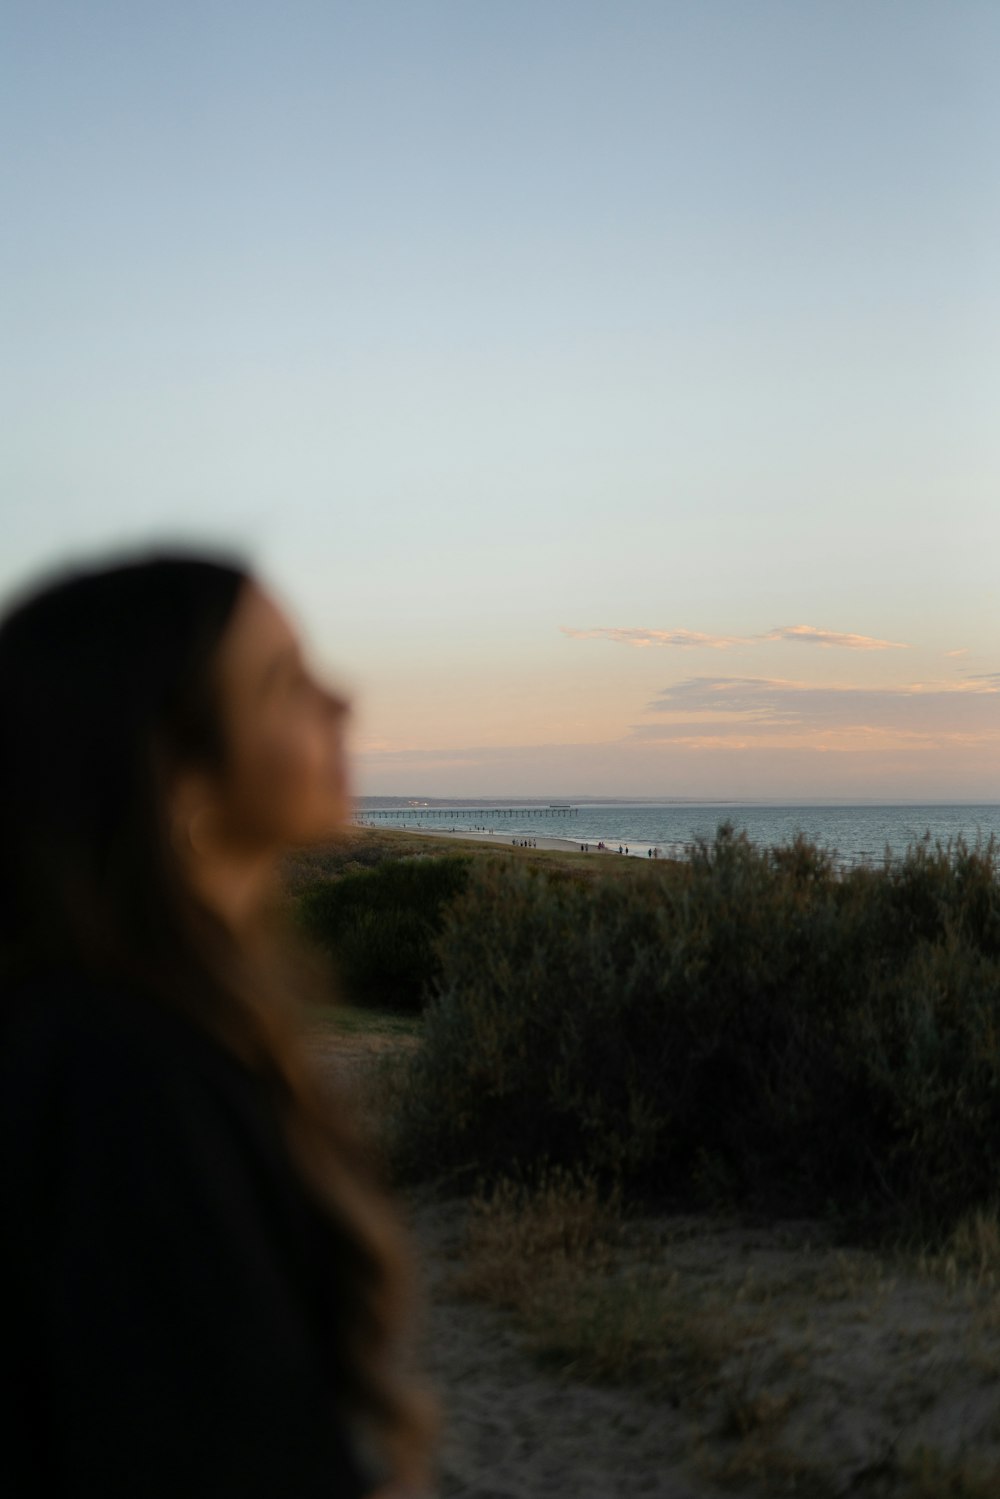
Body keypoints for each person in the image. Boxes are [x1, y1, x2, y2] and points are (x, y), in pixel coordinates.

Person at [0, 548, 438, 1499]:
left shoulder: (144, 1030)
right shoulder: (121, 1078)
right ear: (174, 774)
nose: (343, 701)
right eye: (285, 683)